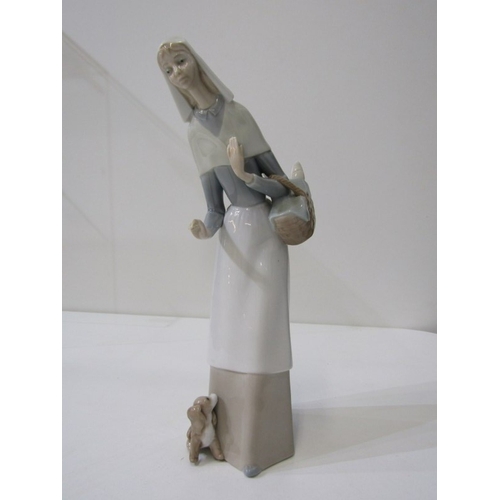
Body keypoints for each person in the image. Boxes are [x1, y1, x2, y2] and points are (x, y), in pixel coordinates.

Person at [157, 39, 294, 476]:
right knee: (230, 328)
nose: (177, 72)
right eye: (168, 69)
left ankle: (258, 443)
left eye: (180, 60)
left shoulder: (239, 115)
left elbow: (283, 186)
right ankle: (228, 432)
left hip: (264, 235)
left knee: (261, 332)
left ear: (197, 62)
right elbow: (215, 208)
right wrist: (205, 227)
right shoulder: (195, 133)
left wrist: (243, 174)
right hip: (233, 238)